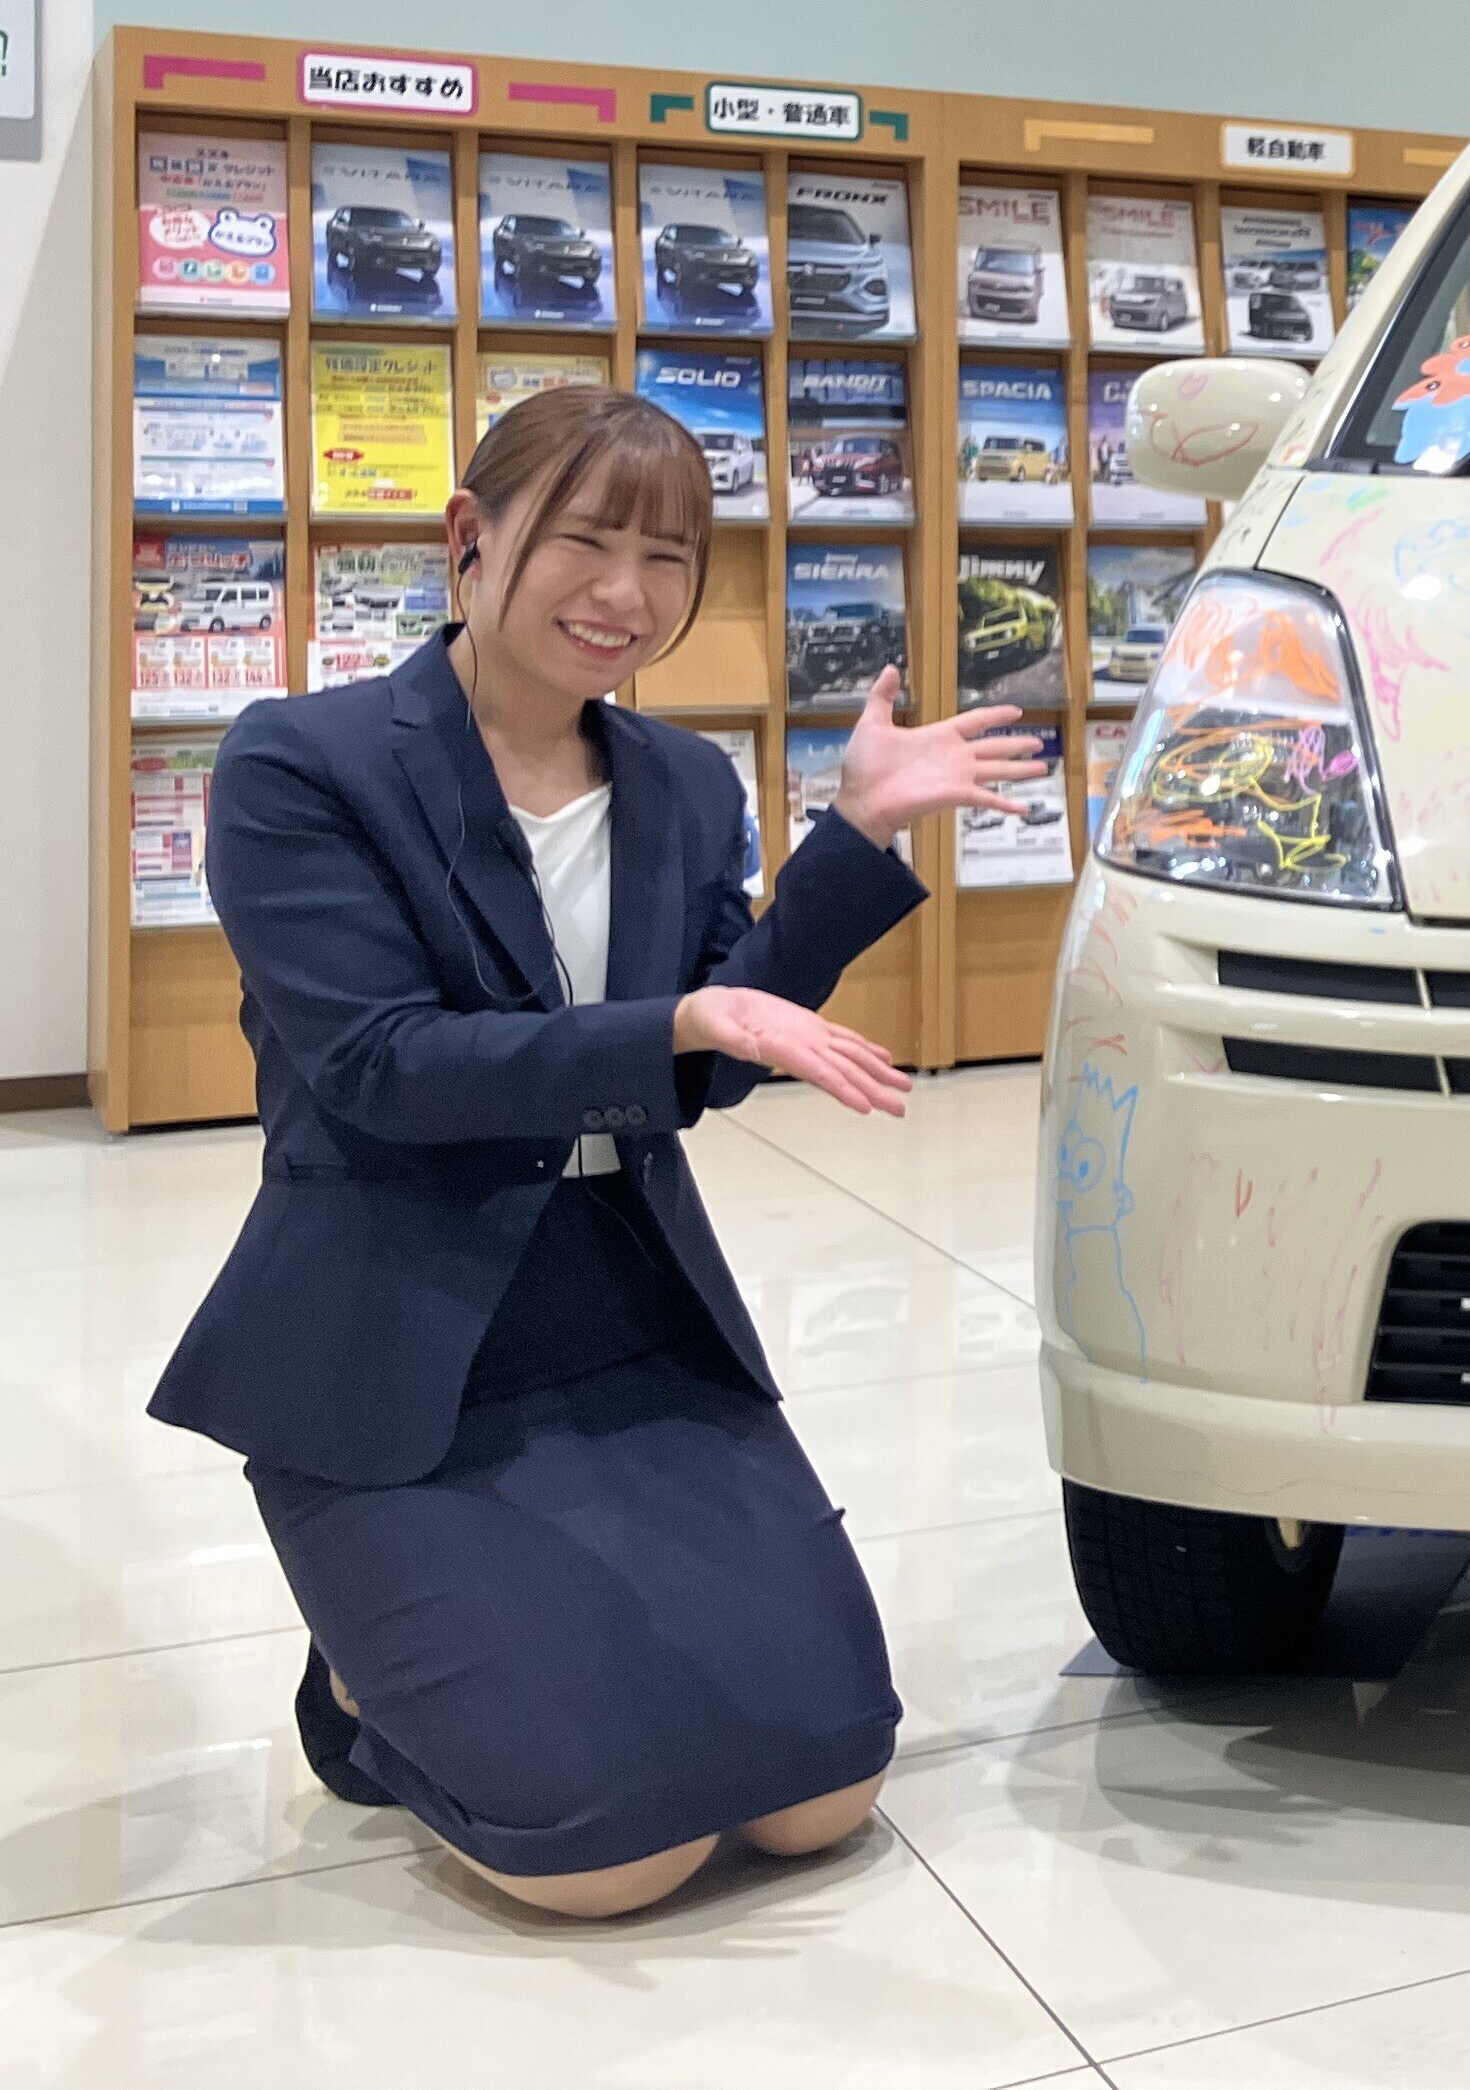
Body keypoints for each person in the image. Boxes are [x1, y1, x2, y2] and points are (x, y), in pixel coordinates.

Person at [151, 386, 1045, 1918]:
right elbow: (380, 1068)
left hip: (625, 1308)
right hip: (394, 1334)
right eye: (585, 542)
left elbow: (705, 1069)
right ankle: (363, 1691)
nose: (627, 593)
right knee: (603, 1857)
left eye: (669, 556)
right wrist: (676, 1023)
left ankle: (445, 1640)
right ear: (471, 536)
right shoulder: (304, 764)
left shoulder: (681, 782)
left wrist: (857, 839)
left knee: (825, 1783)